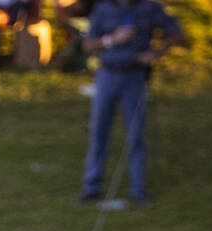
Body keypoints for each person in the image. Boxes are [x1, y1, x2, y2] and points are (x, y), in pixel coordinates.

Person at [78, 0, 184, 203]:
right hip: (107, 74)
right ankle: (92, 187)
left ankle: (138, 189)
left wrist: (156, 52)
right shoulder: (103, 8)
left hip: (135, 76)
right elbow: (87, 44)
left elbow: (176, 31)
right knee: (99, 132)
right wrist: (111, 40)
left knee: (136, 135)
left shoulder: (149, 8)